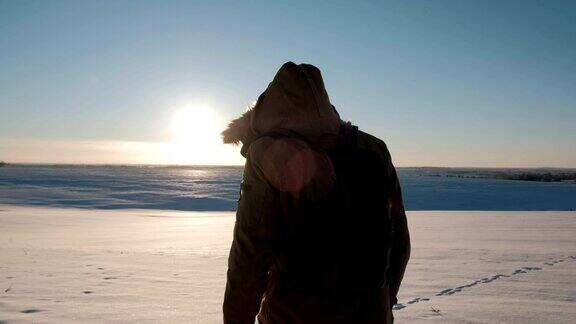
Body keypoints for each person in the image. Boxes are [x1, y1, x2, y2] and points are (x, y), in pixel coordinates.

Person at [221, 62, 410, 324]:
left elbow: (249, 257)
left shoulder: (265, 154)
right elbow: (399, 243)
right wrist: (381, 303)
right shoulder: (373, 149)